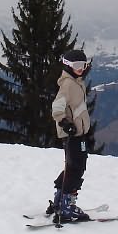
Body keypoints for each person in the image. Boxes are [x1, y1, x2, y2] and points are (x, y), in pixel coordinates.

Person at [46, 49, 93, 223]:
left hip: (78, 133)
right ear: (67, 65)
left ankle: (60, 199)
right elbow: (56, 108)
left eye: (84, 65)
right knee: (77, 167)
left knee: (73, 166)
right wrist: (65, 123)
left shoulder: (77, 82)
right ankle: (66, 206)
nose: (81, 68)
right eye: (77, 65)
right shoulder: (68, 85)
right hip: (72, 134)